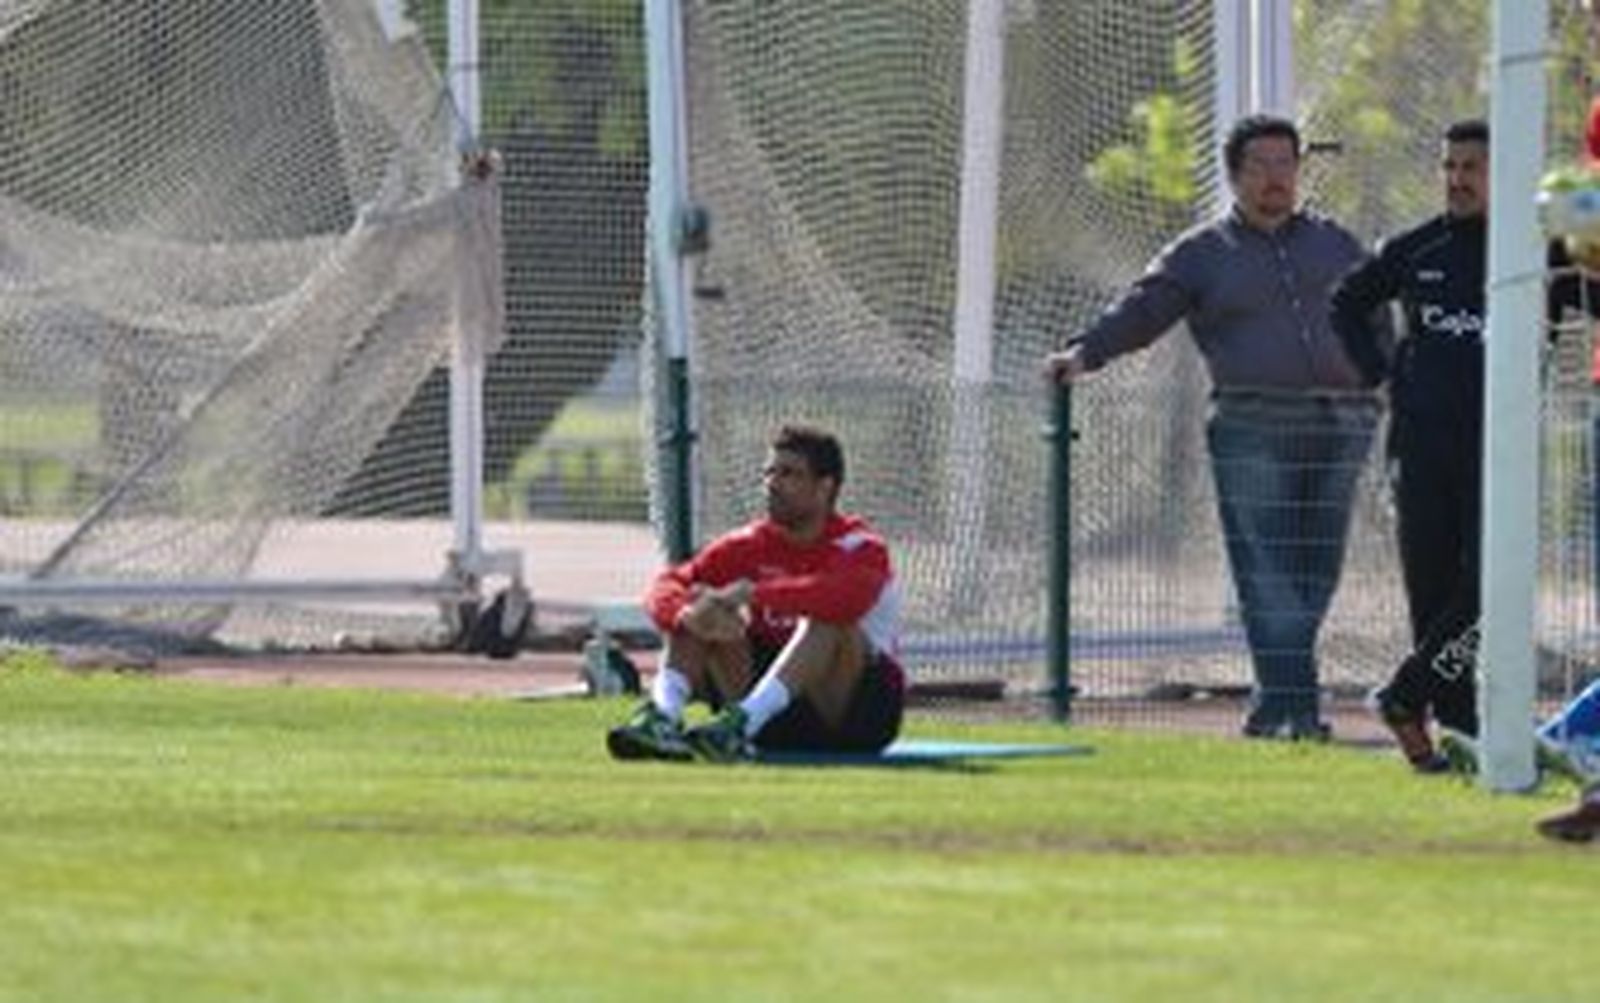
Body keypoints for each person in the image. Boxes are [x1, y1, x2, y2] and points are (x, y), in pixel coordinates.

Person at [1046, 113, 1378, 740]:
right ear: (1234, 175)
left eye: (1286, 164)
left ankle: (1276, 705)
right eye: (1261, 166)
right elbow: (1142, 310)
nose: (1276, 178)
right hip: (1253, 423)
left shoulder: (1336, 243)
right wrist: (1084, 353)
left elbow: (1377, 312)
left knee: (1316, 568)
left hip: (1343, 422)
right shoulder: (1202, 253)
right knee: (1267, 570)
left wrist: (1385, 380)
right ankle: (1298, 710)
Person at [1332, 119, 1600, 772]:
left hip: (1500, 449)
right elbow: (1346, 303)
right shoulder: (1414, 246)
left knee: (1489, 592)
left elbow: (1593, 301)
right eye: (1449, 166)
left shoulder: (1541, 256)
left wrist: (1587, 245)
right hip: (1419, 447)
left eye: (1472, 168)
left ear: (1503, 176)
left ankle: (1405, 695)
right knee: (1432, 593)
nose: (1457, 179)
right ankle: (1454, 730)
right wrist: (1381, 372)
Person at [605, 424, 906, 763]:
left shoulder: (860, 546)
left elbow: (843, 599)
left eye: (789, 474)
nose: (772, 484)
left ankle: (739, 723)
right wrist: (685, 614)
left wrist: (753, 594)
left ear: (825, 488)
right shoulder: (747, 545)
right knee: (702, 606)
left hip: (852, 715)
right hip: (772, 713)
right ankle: (664, 717)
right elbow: (667, 586)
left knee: (829, 621)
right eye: (769, 473)